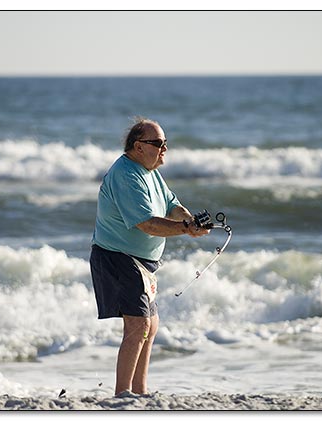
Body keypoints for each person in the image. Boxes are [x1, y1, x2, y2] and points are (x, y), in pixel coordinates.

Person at [90, 117, 210, 396]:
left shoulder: (150, 171)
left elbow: (172, 205)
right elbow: (147, 224)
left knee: (150, 325)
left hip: (142, 262)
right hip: (117, 256)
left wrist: (190, 220)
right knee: (139, 324)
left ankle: (139, 392)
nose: (164, 148)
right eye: (158, 143)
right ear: (138, 146)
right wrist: (183, 229)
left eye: (165, 143)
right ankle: (122, 396)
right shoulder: (126, 174)